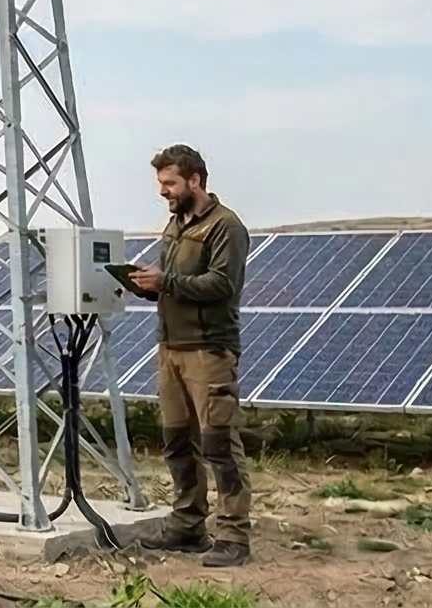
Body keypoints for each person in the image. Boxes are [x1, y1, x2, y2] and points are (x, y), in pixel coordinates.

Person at [118, 144, 252, 567]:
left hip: (208, 350)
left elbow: (223, 284)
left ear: (195, 180)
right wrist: (146, 285)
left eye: (170, 183)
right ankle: (188, 524)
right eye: (161, 183)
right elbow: (174, 284)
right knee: (178, 441)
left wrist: (167, 282)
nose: (163, 191)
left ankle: (233, 536)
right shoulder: (175, 226)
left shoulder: (225, 226)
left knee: (219, 444)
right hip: (171, 349)